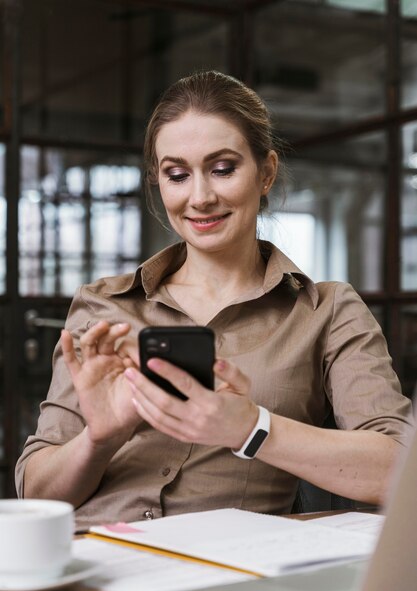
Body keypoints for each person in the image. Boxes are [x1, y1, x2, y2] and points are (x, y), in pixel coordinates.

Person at [15, 70, 414, 532]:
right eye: (177, 175)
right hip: (91, 566)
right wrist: (100, 438)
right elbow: (35, 491)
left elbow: (400, 471)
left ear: (266, 172)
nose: (200, 197)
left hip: (223, 579)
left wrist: (252, 428)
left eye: (223, 169)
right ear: (159, 183)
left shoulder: (326, 312)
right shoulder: (105, 305)